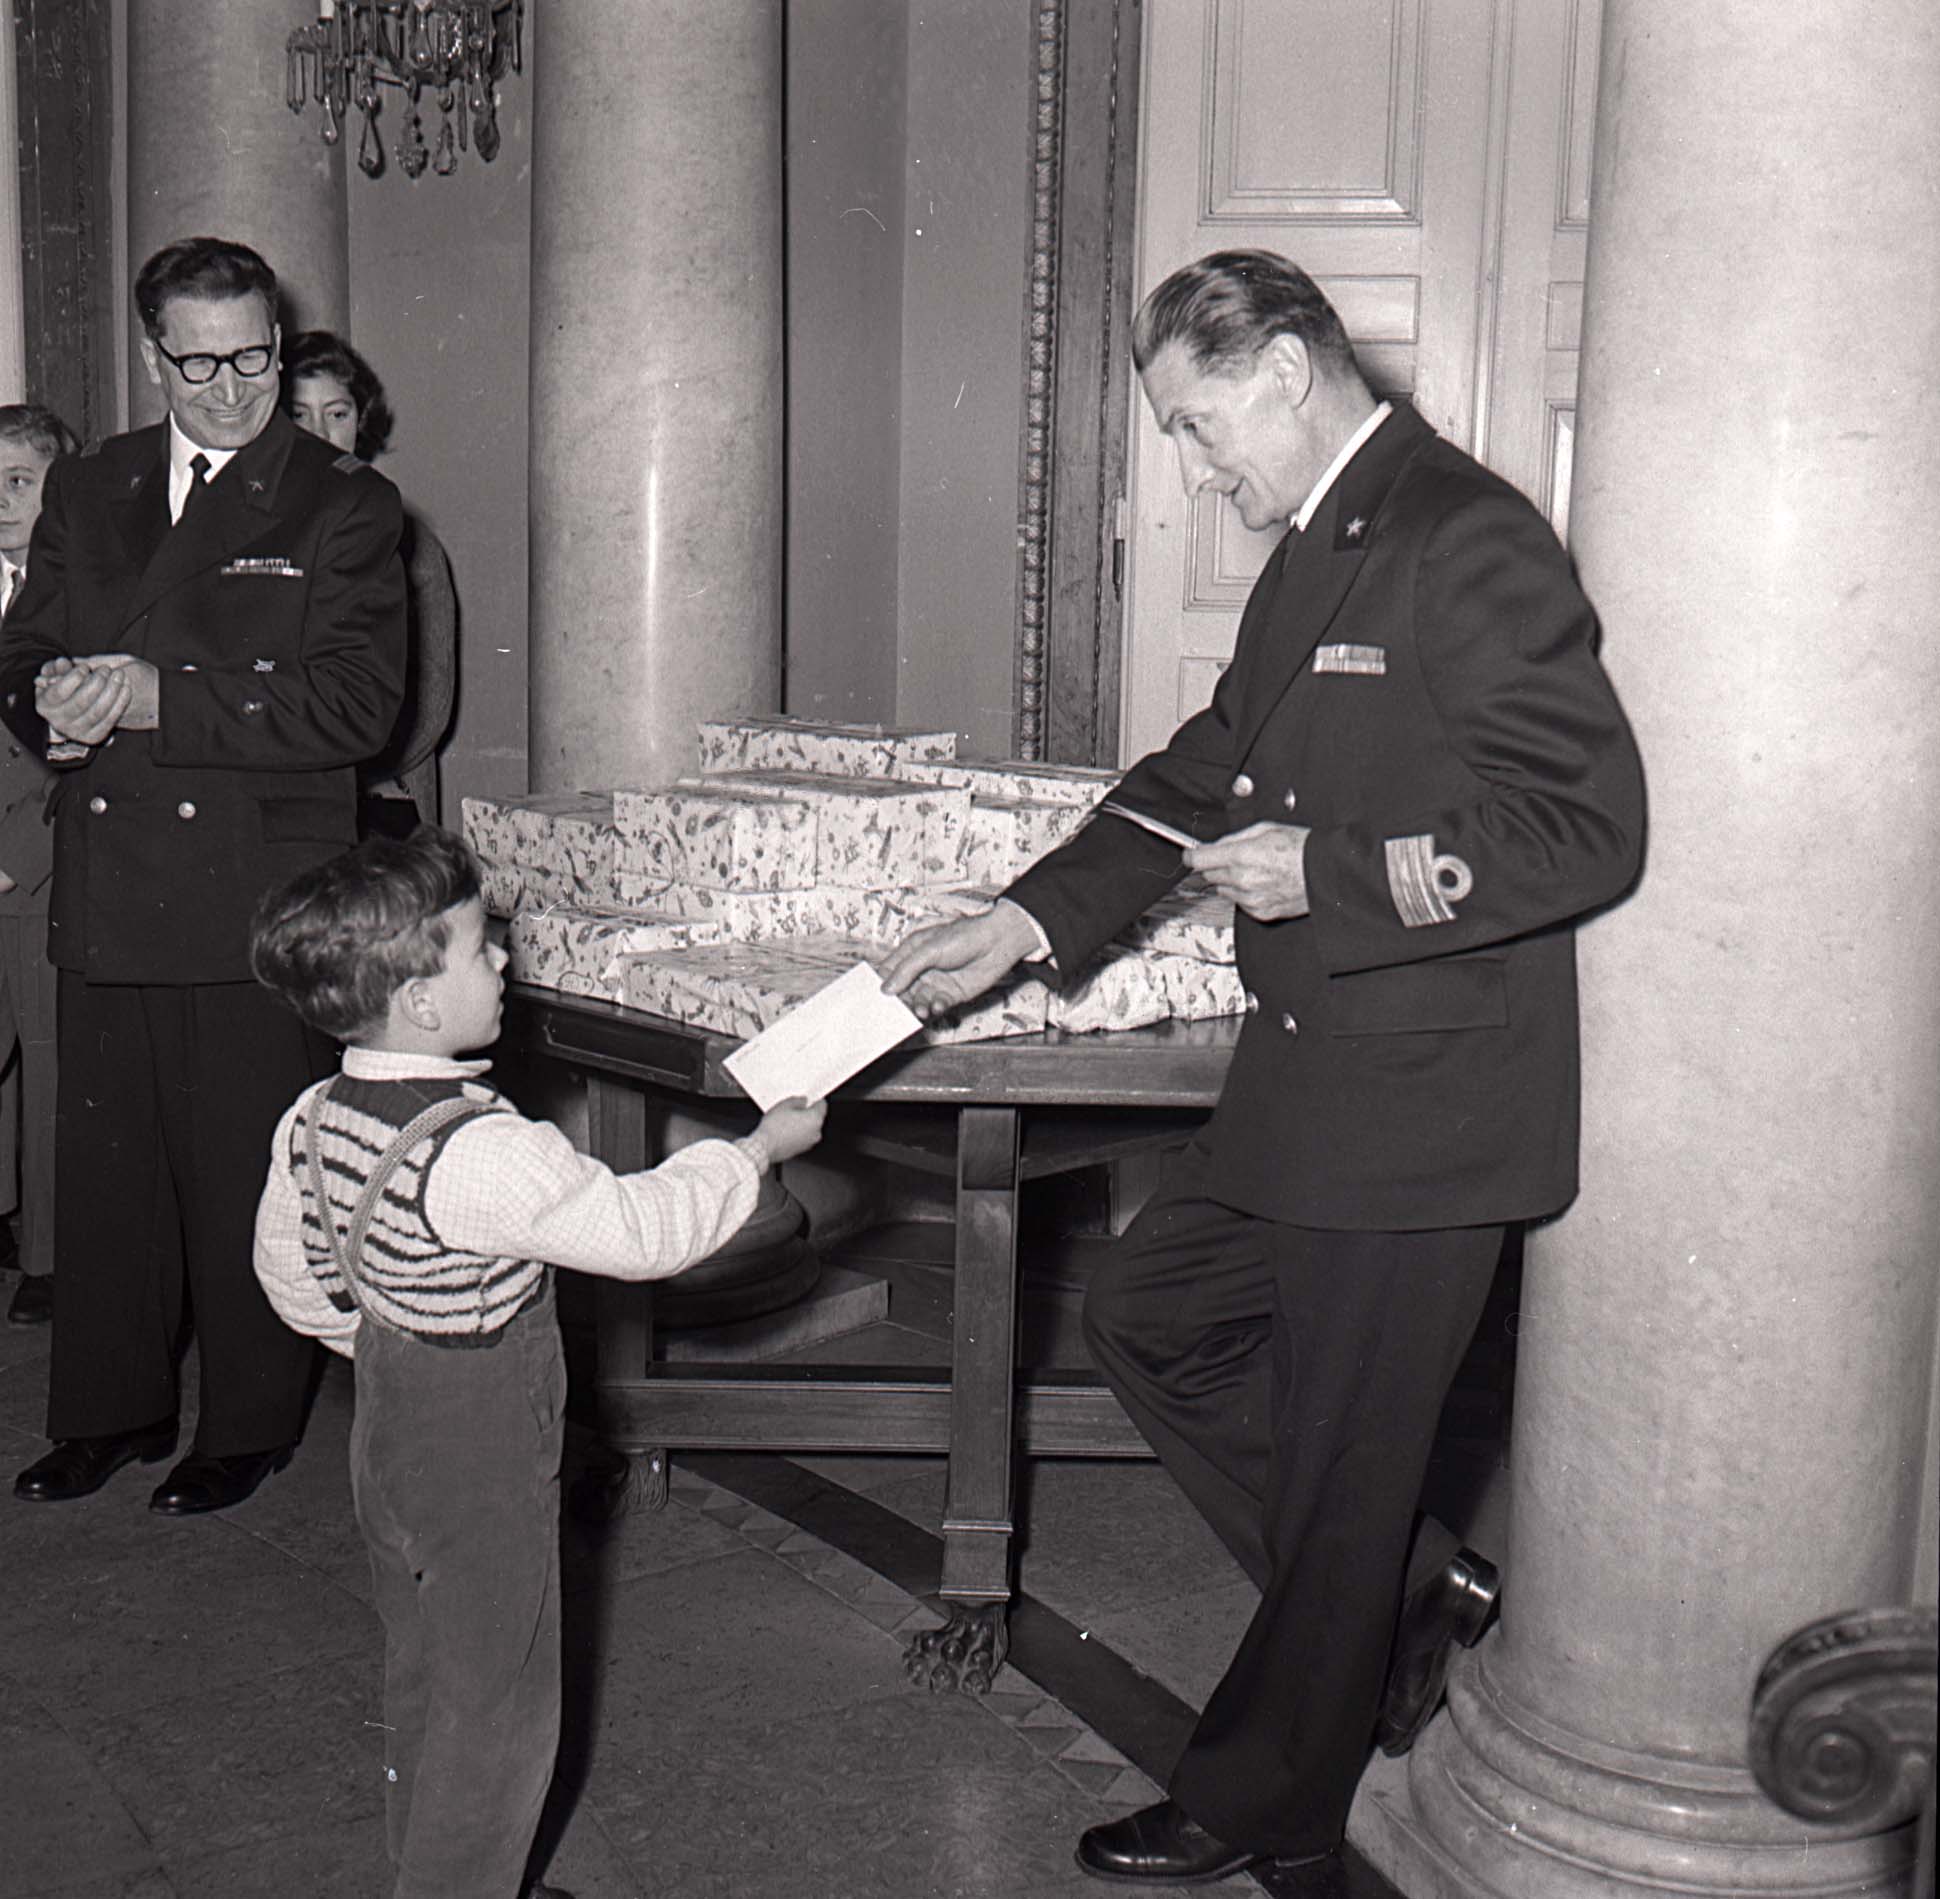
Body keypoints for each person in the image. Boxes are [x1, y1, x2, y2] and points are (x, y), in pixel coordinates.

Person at [881, 249, 1645, 1884]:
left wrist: (1331, 872)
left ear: (1288, 370)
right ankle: (1409, 1589)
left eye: (1199, 423)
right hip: (1322, 1075)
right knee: (1149, 1314)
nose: (1195, 465)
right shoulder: (1324, 542)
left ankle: (1263, 1794)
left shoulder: (1467, 535)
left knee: (1342, 1468)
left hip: (1425, 1098)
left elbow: (1588, 828)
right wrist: (1020, 920)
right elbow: (1206, 768)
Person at [248, 824, 826, 1899]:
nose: (505, 957)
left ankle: (426, 1872)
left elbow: (287, 1270)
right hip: (476, 1447)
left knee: (425, 1667)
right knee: (501, 1701)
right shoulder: (484, 1151)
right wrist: (754, 1151)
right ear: (421, 1002)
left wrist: (391, 1333)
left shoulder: (313, 1116)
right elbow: (645, 1231)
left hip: (385, 1420)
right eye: (481, 947)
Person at [0, 236, 407, 1513]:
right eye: (200, 364)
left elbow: (358, 705)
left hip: (250, 885)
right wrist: (49, 713)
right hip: (110, 876)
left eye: (253, 359)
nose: (232, 389)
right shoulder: (93, 485)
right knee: (108, 1172)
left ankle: (247, 1423)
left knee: (241, 1167)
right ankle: (106, 1413)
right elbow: (24, 647)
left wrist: (154, 700)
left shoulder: (340, 501)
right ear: (152, 356)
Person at [283, 329, 457, 832]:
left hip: (386, 798)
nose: (319, 433)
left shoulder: (410, 541)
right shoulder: (251, 533)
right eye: (299, 415)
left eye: (336, 414)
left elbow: (429, 704)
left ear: (361, 421)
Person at [0, 404, 78, 1327]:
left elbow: (71, 757)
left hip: (41, 864)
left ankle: (51, 1255)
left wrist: (16, 860)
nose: (1, 501)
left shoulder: (77, 593)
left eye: (19, 481)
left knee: (50, 1055)